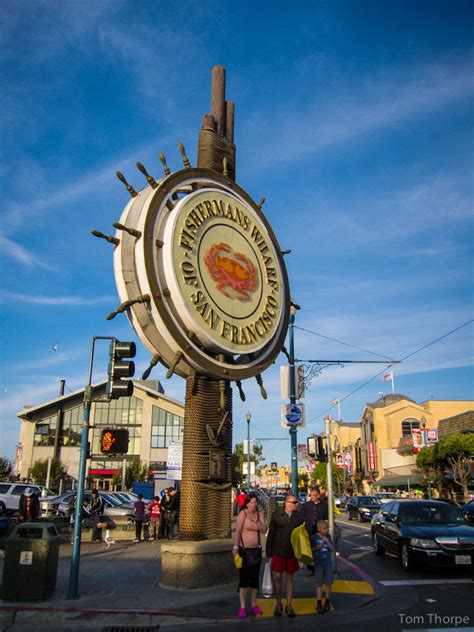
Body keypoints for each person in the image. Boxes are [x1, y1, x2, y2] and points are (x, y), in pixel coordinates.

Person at [266, 493, 303, 618]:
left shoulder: (298, 517)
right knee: (277, 576)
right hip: (278, 550)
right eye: (294, 502)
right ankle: (278, 603)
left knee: (290, 578)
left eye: (296, 502)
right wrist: (268, 552)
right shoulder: (276, 515)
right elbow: (271, 533)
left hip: (292, 552)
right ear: (287, 503)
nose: (296, 504)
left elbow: (302, 535)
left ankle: (289, 604)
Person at [232, 493, 268, 619]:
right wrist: (235, 547)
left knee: (254, 580)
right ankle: (242, 606)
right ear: (246, 504)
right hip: (244, 550)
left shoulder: (260, 515)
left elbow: (264, 530)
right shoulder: (243, 514)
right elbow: (238, 531)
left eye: (255, 502)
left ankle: (254, 604)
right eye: (251, 502)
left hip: (256, 551)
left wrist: (258, 522)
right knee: (243, 579)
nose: (253, 505)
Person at [302, 487, 328, 576]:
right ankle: (310, 569)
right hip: (308, 531)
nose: (311, 497)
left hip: (319, 532)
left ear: (317, 496)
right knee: (310, 551)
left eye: (313, 496)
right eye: (310, 495)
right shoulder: (306, 505)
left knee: (320, 550)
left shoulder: (324, 505)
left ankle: (320, 569)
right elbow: (301, 517)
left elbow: (326, 518)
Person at [311, 519, 335, 614]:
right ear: (319, 529)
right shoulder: (314, 538)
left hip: (327, 562)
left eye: (327, 528)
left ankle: (327, 601)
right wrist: (317, 548)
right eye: (324, 528)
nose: (326, 530)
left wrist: (327, 542)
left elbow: (332, 549)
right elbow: (310, 549)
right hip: (318, 563)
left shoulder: (328, 537)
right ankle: (319, 602)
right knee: (319, 583)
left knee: (328, 583)